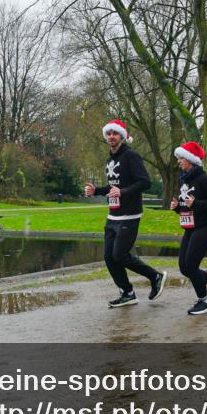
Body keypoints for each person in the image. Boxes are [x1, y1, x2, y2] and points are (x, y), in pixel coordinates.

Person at [85, 120, 167, 308]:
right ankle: (127, 293)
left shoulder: (131, 156)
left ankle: (155, 276)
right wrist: (96, 190)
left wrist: (123, 192)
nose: (111, 136)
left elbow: (144, 182)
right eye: (108, 134)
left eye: (115, 133)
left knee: (120, 255)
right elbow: (113, 187)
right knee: (109, 257)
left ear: (122, 136)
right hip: (113, 215)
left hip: (129, 214)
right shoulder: (110, 160)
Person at [170, 142, 207, 315]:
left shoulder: (203, 179)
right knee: (184, 267)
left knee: (191, 265)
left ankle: (204, 301)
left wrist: (196, 203)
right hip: (190, 228)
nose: (178, 161)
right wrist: (177, 208)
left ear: (190, 160)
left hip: (204, 228)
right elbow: (188, 206)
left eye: (181, 158)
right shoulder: (184, 179)